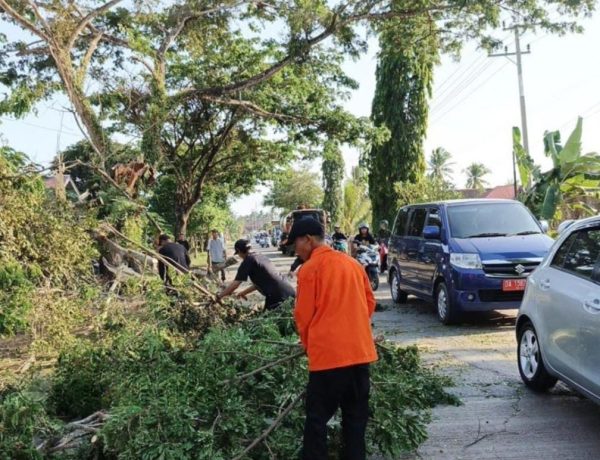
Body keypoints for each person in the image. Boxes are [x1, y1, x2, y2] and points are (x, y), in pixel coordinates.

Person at [288, 217, 377, 460]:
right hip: (360, 356)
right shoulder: (353, 264)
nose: (295, 250)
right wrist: (352, 327)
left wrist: (308, 344)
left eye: (295, 243)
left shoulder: (309, 270)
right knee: (355, 422)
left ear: (307, 239)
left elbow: (303, 317)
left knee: (317, 421)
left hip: (329, 359)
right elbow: (370, 303)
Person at [217, 239, 295, 309]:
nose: (239, 256)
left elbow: (235, 284)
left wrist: (218, 297)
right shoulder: (260, 256)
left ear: (239, 251)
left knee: (268, 322)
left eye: (238, 253)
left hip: (278, 296)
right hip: (289, 291)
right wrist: (243, 293)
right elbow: (258, 284)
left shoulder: (248, 261)